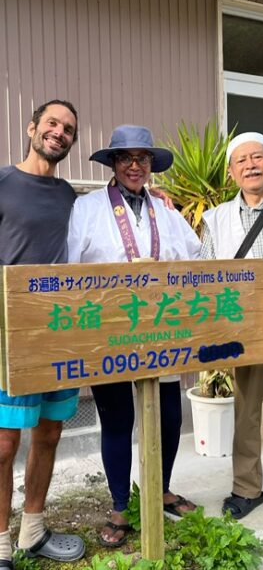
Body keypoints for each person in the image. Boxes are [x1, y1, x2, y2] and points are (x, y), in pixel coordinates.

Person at [67, 124, 202, 547]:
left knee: (169, 416)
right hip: (109, 330)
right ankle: (120, 507)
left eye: (142, 158)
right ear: (112, 163)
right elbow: (71, 265)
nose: (134, 165)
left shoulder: (164, 209)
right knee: (117, 420)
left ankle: (160, 490)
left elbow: (194, 255)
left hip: (162, 329)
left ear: (150, 166)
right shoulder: (87, 207)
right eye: (124, 157)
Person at [0, 100, 85, 569]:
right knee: (4, 443)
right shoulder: (4, 182)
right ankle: (1, 541)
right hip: (8, 332)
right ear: (32, 127)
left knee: (49, 433)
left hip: (59, 331)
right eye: (51, 123)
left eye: (68, 128)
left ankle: (34, 528)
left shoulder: (71, 195)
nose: (59, 132)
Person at [200, 131, 263, 519]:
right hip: (243, 319)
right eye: (241, 161)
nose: (251, 165)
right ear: (231, 172)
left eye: (258, 157)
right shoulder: (217, 218)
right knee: (246, 406)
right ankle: (246, 489)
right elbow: (206, 273)